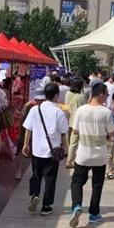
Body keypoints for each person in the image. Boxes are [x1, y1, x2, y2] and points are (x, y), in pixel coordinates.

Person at [68, 82, 114, 228]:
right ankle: (94, 214)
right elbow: (111, 134)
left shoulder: (81, 110)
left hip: (83, 154)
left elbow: (75, 130)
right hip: (100, 156)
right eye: (106, 94)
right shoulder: (106, 112)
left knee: (77, 182)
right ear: (100, 95)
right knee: (97, 185)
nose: (107, 97)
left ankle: (76, 206)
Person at [23, 83, 69, 216]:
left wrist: (26, 144)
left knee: (36, 175)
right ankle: (46, 206)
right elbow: (64, 132)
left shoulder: (35, 109)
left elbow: (28, 129)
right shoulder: (58, 112)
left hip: (37, 150)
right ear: (56, 95)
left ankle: (35, 195)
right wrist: (66, 149)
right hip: (52, 152)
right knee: (50, 179)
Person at [15, 88, 45, 181]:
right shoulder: (29, 105)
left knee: (36, 152)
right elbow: (22, 118)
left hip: (38, 132)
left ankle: (36, 172)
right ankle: (19, 171)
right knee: (21, 151)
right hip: (27, 131)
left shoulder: (45, 106)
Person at [65, 77, 86, 168]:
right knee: (78, 142)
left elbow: (66, 107)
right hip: (79, 122)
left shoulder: (68, 93)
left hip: (70, 119)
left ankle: (70, 159)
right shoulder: (81, 96)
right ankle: (71, 160)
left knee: (71, 142)